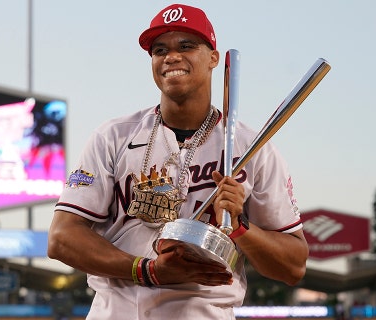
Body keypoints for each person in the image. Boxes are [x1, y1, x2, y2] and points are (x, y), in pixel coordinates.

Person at [47, 4, 309, 319]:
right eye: (160, 50)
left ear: (214, 57)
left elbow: (293, 266)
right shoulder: (113, 136)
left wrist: (240, 227)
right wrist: (147, 270)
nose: (171, 56)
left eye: (186, 45)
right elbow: (61, 238)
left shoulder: (253, 149)